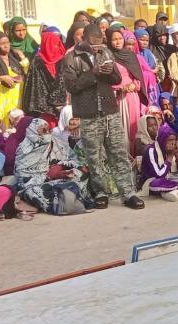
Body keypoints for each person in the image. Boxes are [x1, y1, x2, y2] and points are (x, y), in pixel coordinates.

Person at [61, 24, 144, 210]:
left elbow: (117, 80)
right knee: (94, 156)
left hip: (110, 111)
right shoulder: (71, 58)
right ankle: (100, 192)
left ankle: (128, 193)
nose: (96, 47)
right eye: (93, 44)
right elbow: (71, 86)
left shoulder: (105, 52)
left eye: (99, 44)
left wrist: (111, 72)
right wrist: (93, 74)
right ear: (84, 39)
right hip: (88, 114)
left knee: (119, 152)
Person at [13, 117, 94, 214]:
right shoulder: (24, 150)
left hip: (59, 176)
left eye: (49, 130)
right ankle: (64, 202)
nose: (47, 133)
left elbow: (73, 159)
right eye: (43, 131)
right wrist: (48, 176)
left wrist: (61, 167)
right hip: (35, 184)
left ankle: (68, 199)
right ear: (33, 131)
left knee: (78, 174)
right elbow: (22, 179)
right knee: (33, 192)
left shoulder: (57, 143)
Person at [106, 27, 149, 156]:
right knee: (120, 128)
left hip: (131, 97)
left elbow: (138, 77)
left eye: (120, 38)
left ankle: (135, 158)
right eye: (114, 39)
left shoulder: (130, 56)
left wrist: (134, 84)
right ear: (108, 41)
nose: (118, 42)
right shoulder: (106, 56)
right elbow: (104, 80)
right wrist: (119, 89)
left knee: (133, 128)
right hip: (117, 98)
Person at [139, 124, 178, 200]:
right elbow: (159, 175)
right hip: (155, 180)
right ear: (162, 140)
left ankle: (174, 190)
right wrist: (170, 156)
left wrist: (177, 154)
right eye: (170, 140)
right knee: (156, 183)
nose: (173, 143)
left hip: (173, 177)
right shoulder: (151, 150)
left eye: (174, 140)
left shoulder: (175, 148)